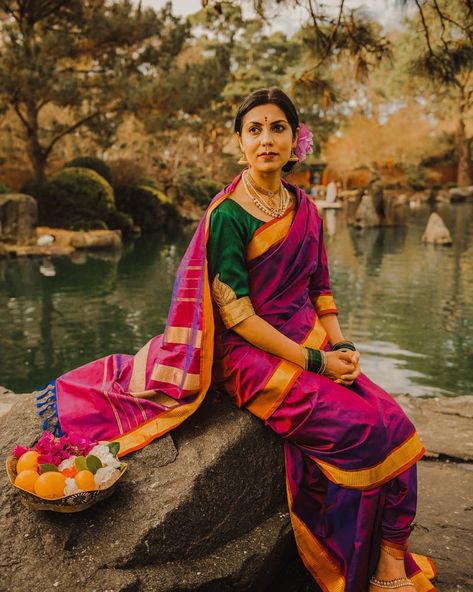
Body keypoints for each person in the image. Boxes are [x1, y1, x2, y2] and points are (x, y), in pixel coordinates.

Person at [35, 88, 436, 592]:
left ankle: (391, 561)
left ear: (296, 140)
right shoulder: (227, 215)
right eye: (254, 130)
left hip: (308, 340)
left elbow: (320, 287)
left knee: (396, 421)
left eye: (277, 128)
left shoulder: (304, 207)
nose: (266, 139)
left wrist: (340, 345)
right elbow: (239, 316)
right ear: (240, 143)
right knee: (361, 429)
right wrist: (316, 361)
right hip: (249, 355)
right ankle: (353, 563)